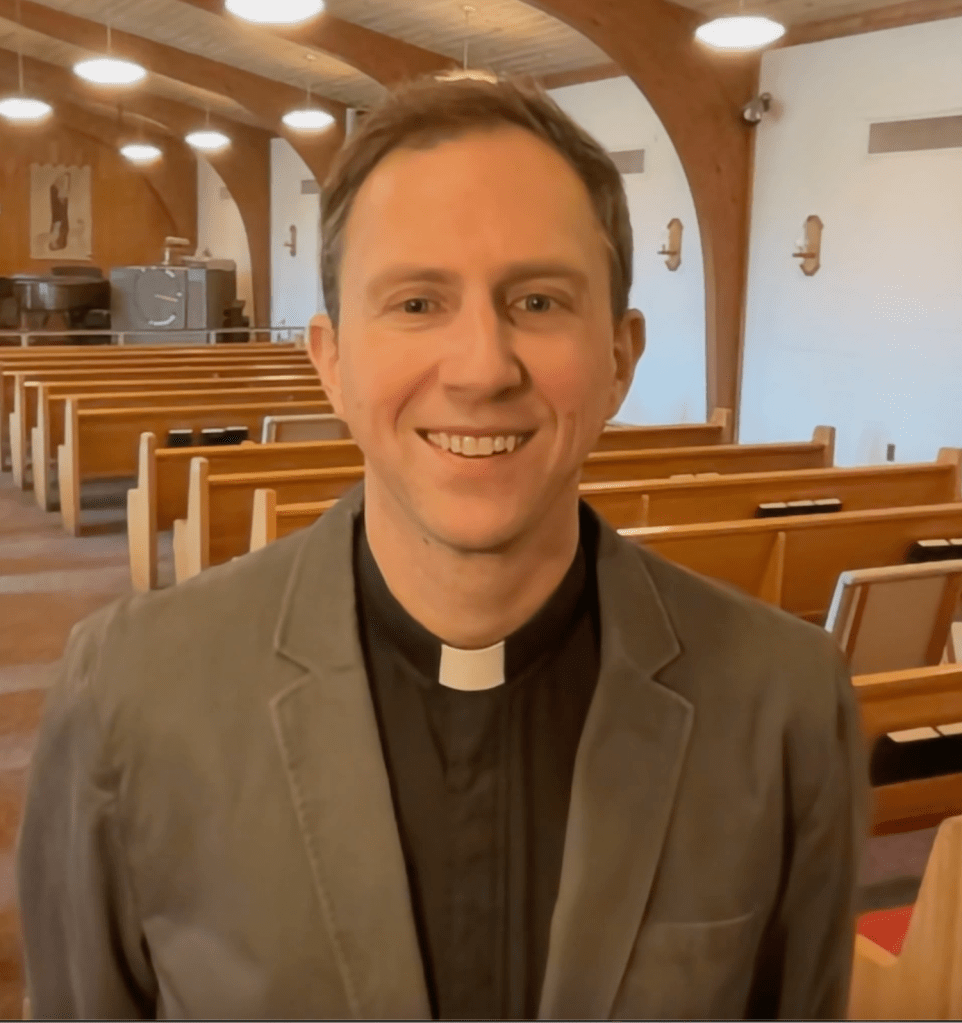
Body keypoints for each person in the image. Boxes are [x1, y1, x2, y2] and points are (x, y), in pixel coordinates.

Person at [17, 75, 868, 1020]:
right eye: (418, 303)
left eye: (538, 300)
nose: (481, 369)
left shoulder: (783, 704)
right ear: (331, 360)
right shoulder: (130, 696)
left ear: (620, 357)